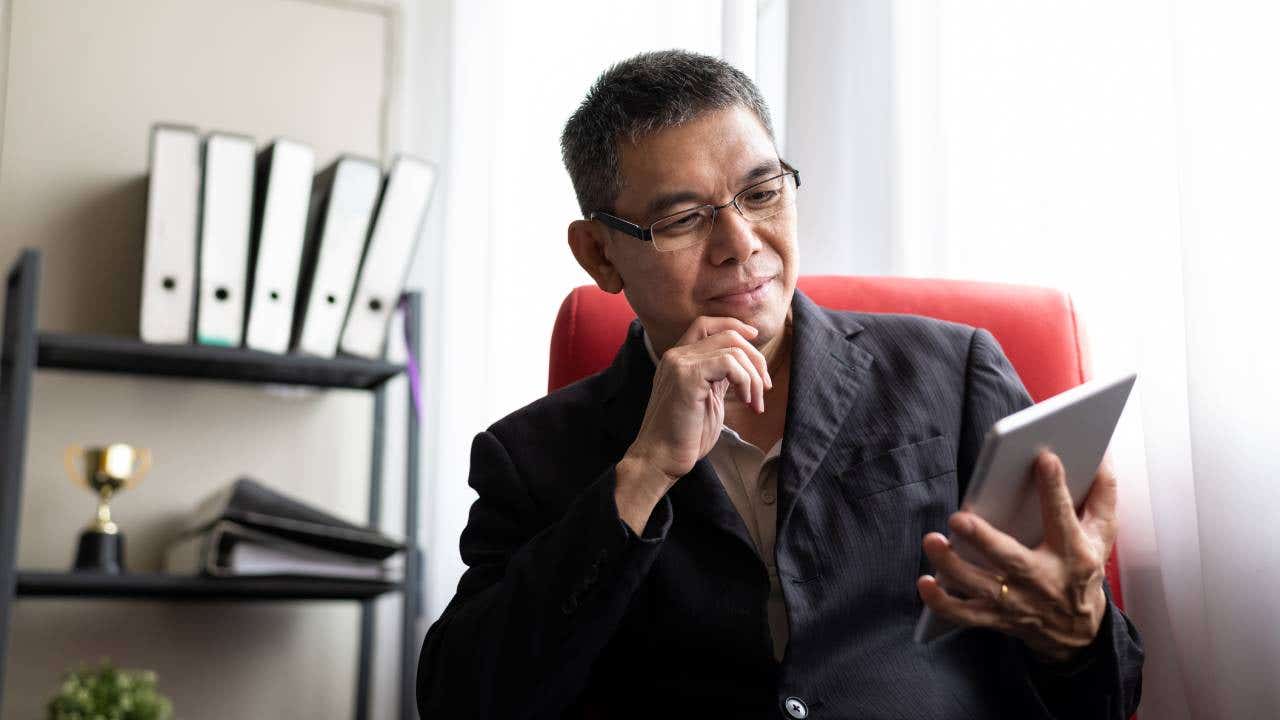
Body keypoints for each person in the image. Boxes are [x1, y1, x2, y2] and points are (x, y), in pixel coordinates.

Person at [417, 49, 1143, 719]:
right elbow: (464, 700)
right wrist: (641, 475)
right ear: (600, 255)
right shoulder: (531, 455)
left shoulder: (951, 373)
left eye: (762, 192)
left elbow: (1105, 689)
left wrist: (1077, 635)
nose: (742, 244)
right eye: (681, 218)